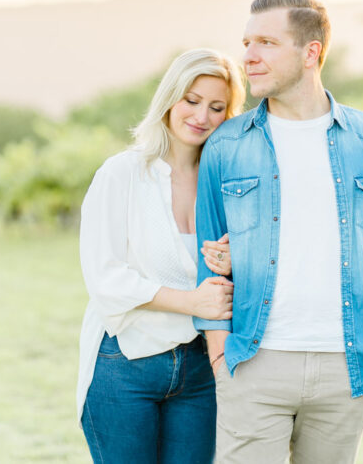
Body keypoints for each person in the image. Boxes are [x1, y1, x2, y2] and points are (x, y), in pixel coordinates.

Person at [194, 0, 363, 463]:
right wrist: (219, 358)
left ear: (311, 52)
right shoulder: (227, 145)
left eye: (267, 42)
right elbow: (206, 261)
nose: (248, 56)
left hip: (346, 366)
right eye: (247, 42)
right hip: (254, 362)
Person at [77, 48, 247, 464]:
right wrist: (191, 301)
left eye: (216, 107)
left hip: (199, 366)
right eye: (191, 100)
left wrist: (233, 265)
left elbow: (247, 274)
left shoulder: (228, 186)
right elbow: (105, 278)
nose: (201, 116)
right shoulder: (122, 174)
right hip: (125, 362)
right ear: (169, 98)